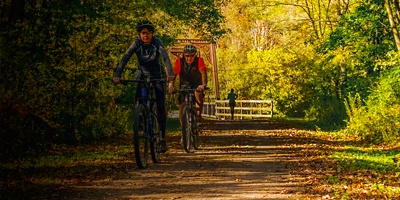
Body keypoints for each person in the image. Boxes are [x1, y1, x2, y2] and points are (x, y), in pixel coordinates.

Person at [113, 20, 175, 153]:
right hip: (142, 76)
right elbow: (126, 57)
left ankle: (162, 139)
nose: (145, 35)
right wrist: (118, 74)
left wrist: (170, 73)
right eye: (143, 33)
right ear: (139, 34)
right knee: (139, 98)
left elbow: (165, 58)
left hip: (157, 76)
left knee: (160, 105)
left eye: (148, 33)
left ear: (152, 34)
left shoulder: (157, 42)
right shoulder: (136, 43)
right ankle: (139, 119)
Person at [168, 44, 207, 125]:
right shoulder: (179, 61)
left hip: (196, 84)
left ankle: (198, 116)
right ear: (184, 55)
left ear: (195, 55)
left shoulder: (199, 60)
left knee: (198, 94)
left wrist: (203, 85)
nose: (189, 58)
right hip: (184, 85)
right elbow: (174, 75)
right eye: (187, 56)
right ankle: (184, 130)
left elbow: (203, 73)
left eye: (192, 56)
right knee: (182, 107)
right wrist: (171, 85)